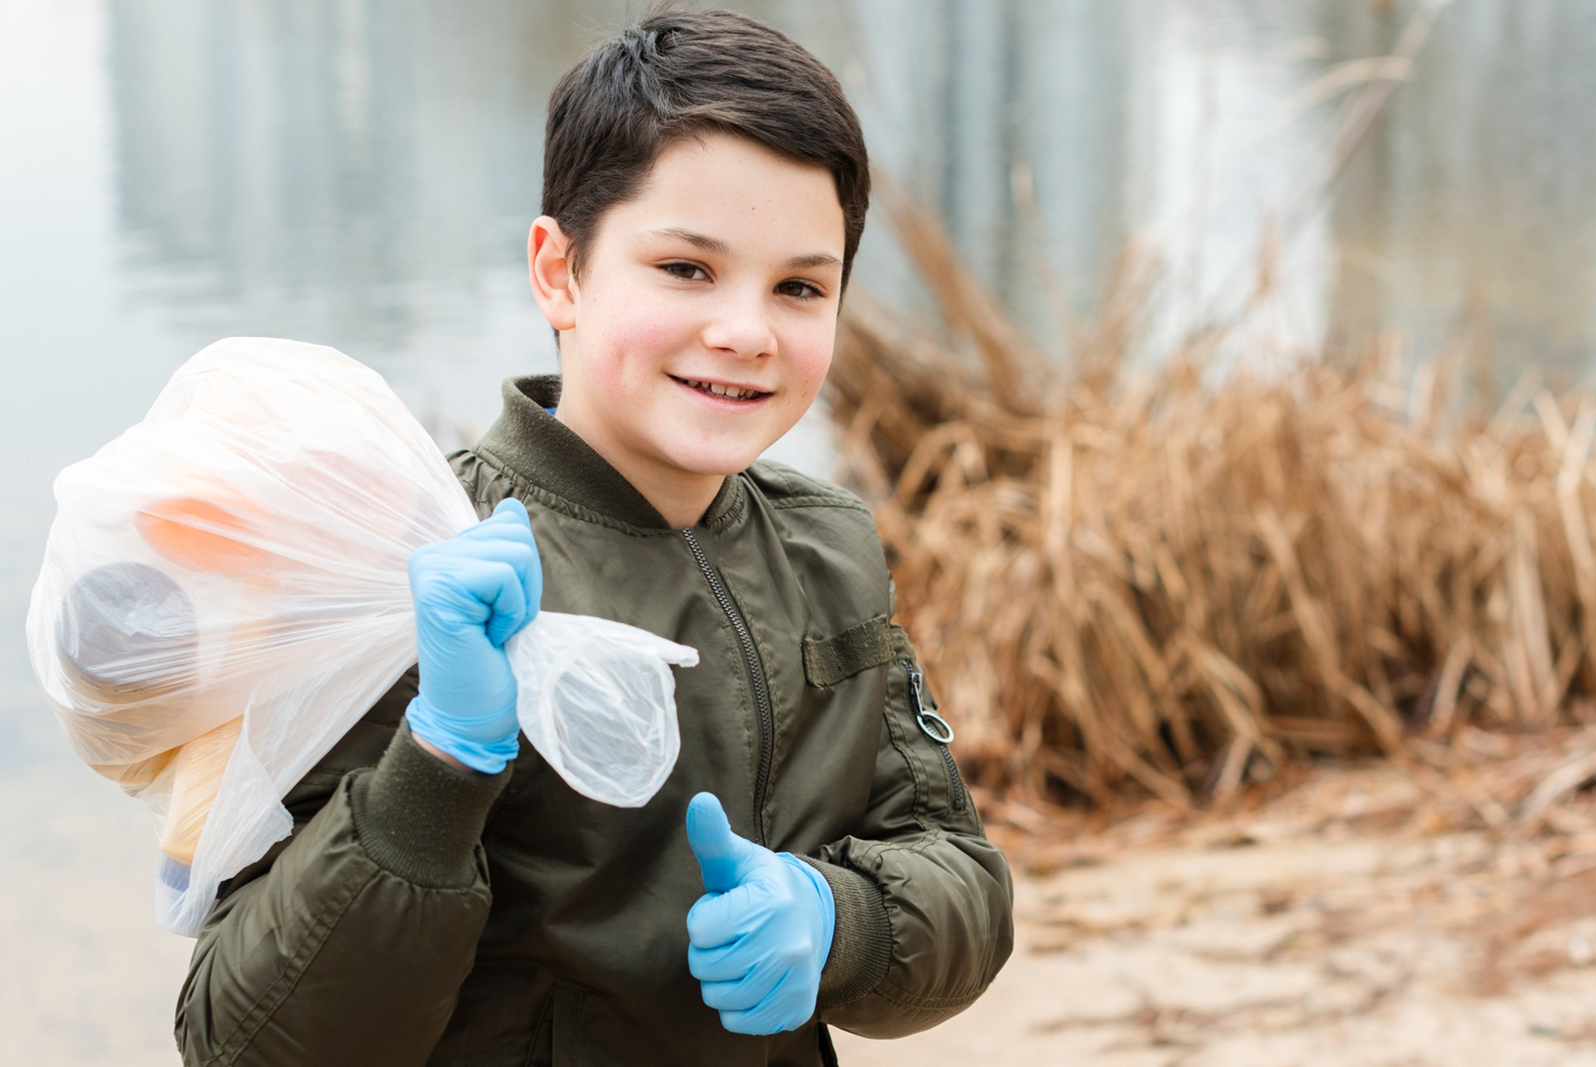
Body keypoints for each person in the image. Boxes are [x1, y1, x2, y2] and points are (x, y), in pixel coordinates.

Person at [174, 8, 1013, 1065]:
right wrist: (439, 760)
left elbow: (959, 873)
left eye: (800, 285)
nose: (747, 330)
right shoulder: (411, 570)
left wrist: (836, 915)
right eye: (686, 269)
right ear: (558, 271)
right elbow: (240, 1038)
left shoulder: (828, 550)